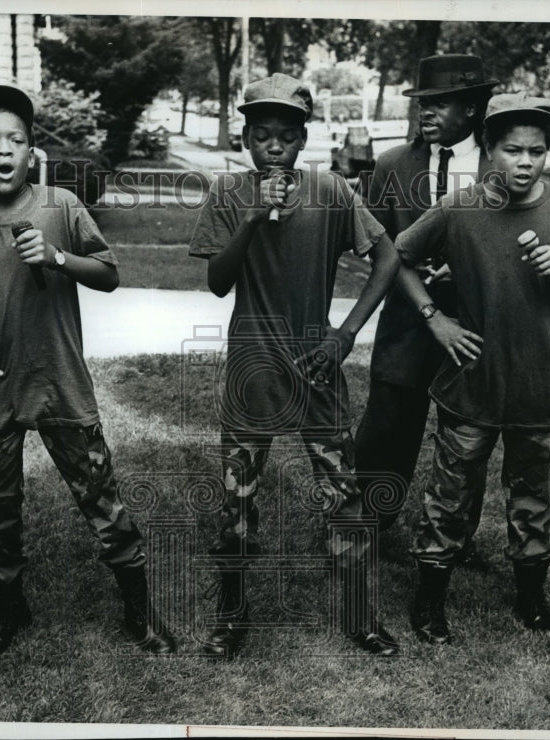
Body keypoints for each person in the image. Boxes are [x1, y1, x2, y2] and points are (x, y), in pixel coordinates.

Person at [0, 84, 175, 658]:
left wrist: (56, 257)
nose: (4, 150)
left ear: (31, 152)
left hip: (61, 383)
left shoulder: (60, 207)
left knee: (103, 502)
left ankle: (139, 612)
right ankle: (9, 609)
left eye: (16, 140)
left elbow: (108, 273)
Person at [189, 73, 401, 657]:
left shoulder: (332, 192)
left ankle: (360, 616)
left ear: (303, 138)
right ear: (246, 138)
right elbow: (215, 282)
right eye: (261, 135)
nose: (273, 146)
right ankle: (230, 617)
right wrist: (254, 217)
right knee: (236, 498)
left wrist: (347, 334)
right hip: (253, 367)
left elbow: (386, 256)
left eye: (285, 135)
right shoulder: (229, 193)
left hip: (316, 364)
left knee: (344, 494)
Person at [394, 93, 550, 644]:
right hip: (472, 383)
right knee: (451, 495)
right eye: (512, 150)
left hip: (536, 385)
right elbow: (399, 257)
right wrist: (435, 319)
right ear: (488, 149)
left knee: (532, 497)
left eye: (536, 151)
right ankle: (429, 602)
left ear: (548, 153)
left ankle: (532, 600)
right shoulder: (459, 208)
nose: (525, 162)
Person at [354, 55, 497, 569]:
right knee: (387, 428)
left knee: (467, 435)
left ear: (473, 107)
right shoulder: (393, 164)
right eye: (423, 103)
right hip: (408, 323)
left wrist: (466, 272)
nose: (426, 113)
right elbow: (379, 246)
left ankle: (454, 536)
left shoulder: (494, 165)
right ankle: (364, 527)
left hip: (477, 329)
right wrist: (430, 310)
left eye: (440, 103)